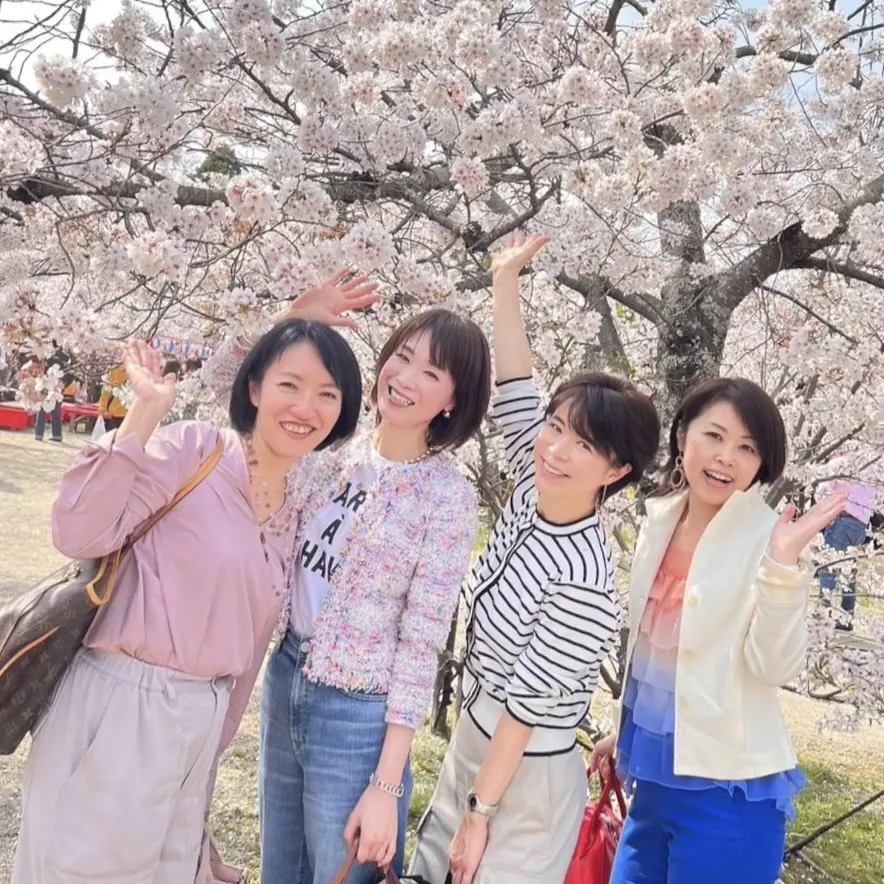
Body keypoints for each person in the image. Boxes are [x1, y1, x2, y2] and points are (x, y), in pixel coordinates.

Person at [12, 318, 363, 884]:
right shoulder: (194, 450)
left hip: (199, 723)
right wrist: (143, 417)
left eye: (327, 394)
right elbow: (80, 534)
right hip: (121, 705)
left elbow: (245, 657)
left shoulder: (296, 507)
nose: (306, 407)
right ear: (254, 389)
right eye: (289, 385)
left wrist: (205, 769)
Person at [204, 273, 493, 884]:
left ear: (452, 400)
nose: (406, 378)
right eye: (403, 357)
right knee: (281, 866)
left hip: (358, 715)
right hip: (285, 680)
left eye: (432, 374)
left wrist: (387, 784)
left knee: (339, 874)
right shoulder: (330, 452)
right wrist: (289, 321)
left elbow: (422, 642)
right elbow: (234, 401)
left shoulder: (446, 496)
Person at [408, 233, 661, 884]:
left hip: (523, 774)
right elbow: (515, 380)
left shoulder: (584, 578)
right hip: (474, 737)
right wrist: (505, 280)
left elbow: (526, 708)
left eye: (584, 444)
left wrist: (479, 813)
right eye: (556, 427)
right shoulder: (531, 483)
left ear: (618, 470)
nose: (555, 448)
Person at [589, 377, 848, 884]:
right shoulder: (658, 521)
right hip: (652, 788)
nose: (726, 457)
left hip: (728, 796)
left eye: (747, 447)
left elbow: (772, 666)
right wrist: (623, 732)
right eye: (715, 436)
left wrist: (782, 566)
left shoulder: (770, 538)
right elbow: (655, 654)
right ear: (683, 436)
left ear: (761, 465)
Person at [817, 453, 884, 631]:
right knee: (849, 572)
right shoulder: (873, 467)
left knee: (829, 565)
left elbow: (822, 489)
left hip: (842, 520)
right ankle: (848, 616)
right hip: (861, 526)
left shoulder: (841, 463)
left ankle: (824, 613)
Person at [34, 341, 71, 443]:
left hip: (47, 384)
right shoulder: (66, 357)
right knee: (56, 412)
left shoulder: (48, 355)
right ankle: (57, 434)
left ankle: (39, 433)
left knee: (42, 410)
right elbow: (69, 373)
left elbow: (43, 370)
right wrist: (64, 384)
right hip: (59, 386)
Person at [98, 362, 130, 430]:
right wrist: (102, 407)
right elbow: (107, 390)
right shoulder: (114, 370)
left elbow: (106, 390)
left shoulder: (114, 369)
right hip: (118, 410)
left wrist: (102, 407)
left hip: (124, 410)